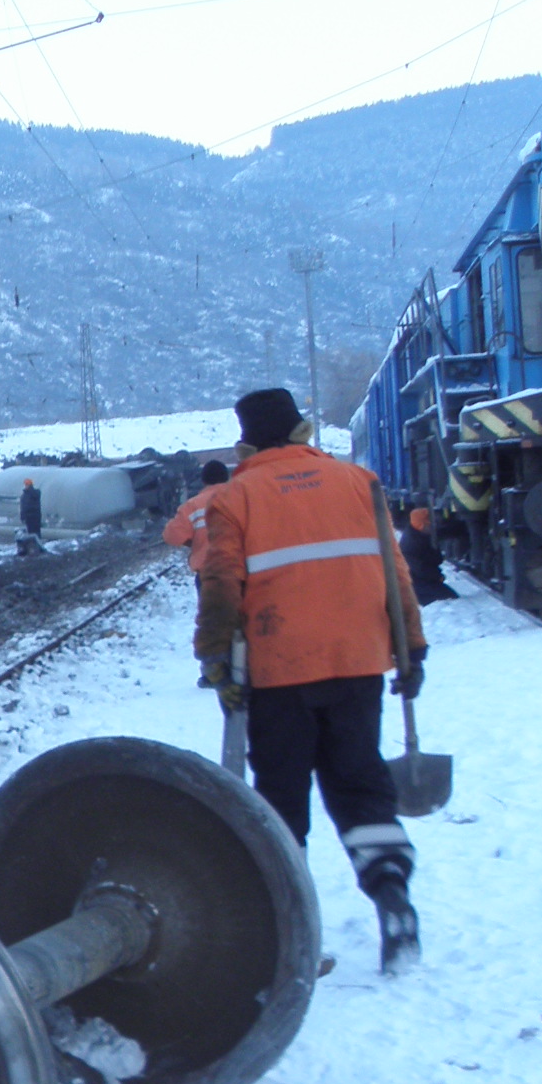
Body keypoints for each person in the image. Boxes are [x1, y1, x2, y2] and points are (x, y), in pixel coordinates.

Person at [194, 388, 428, 974]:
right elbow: (396, 574)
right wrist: (412, 650)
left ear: (246, 442)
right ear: (302, 431)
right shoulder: (359, 483)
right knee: (359, 783)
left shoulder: (236, 496)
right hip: (357, 664)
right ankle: (392, 896)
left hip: (279, 672)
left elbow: (221, 585)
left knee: (281, 800)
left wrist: (216, 660)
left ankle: (292, 936)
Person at [163, 459, 231, 575]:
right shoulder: (245, 499)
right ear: (227, 478)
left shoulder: (193, 506)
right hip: (246, 570)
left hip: (211, 574)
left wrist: (193, 542)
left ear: (203, 480)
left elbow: (171, 536)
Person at [398, 500, 456, 605]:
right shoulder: (411, 543)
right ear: (421, 525)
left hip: (421, 580)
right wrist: (437, 576)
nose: (432, 527)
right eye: (429, 524)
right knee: (449, 599)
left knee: (449, 597)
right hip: (415, 583)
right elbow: (420, 568)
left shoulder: (420, 534)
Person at [16, 477, 44, 556]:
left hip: (30, 517)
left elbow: (24, 507)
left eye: (27, 484)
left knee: (32, 534)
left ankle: (34, 549)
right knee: (36, 533)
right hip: (35, 516)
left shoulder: (26, 495)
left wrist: (22, 516)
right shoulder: (35, 493)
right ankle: (36, 548)